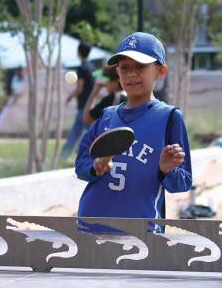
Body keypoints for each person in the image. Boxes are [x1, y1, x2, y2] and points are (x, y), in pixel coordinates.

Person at [75, 32, 192, 220]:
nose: (131, 74)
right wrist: (95, 167)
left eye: (141, 66)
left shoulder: (169, 117)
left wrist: (166, 170)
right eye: (124, 67)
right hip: (92, 223)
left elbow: (183, 182)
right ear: (117, 72)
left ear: (161, 71)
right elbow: (81, 165)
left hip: (141, 230)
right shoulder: (107, 116)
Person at [61, 41, 95, 159]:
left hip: (83, 107)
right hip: (91, 105)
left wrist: (70, 97)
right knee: (90, 133)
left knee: (74, 134)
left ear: (78, 52)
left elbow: (79, 89)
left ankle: (62, 158)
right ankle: (86, 155)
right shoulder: (92, 68)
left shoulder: (81, 69)